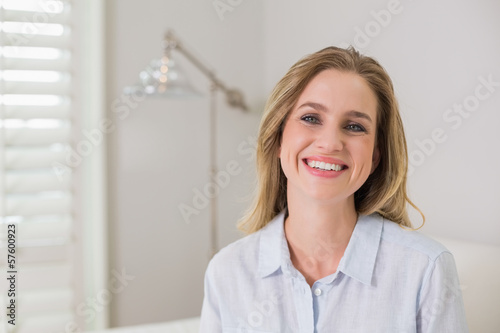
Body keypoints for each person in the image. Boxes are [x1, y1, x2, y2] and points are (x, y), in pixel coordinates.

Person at [200, 46, 468, 332]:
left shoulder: (426, 270)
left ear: (375, 156)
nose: (330, 143)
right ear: (278, 138)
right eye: (311, 118)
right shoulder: (227, 271)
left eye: (354, 126)